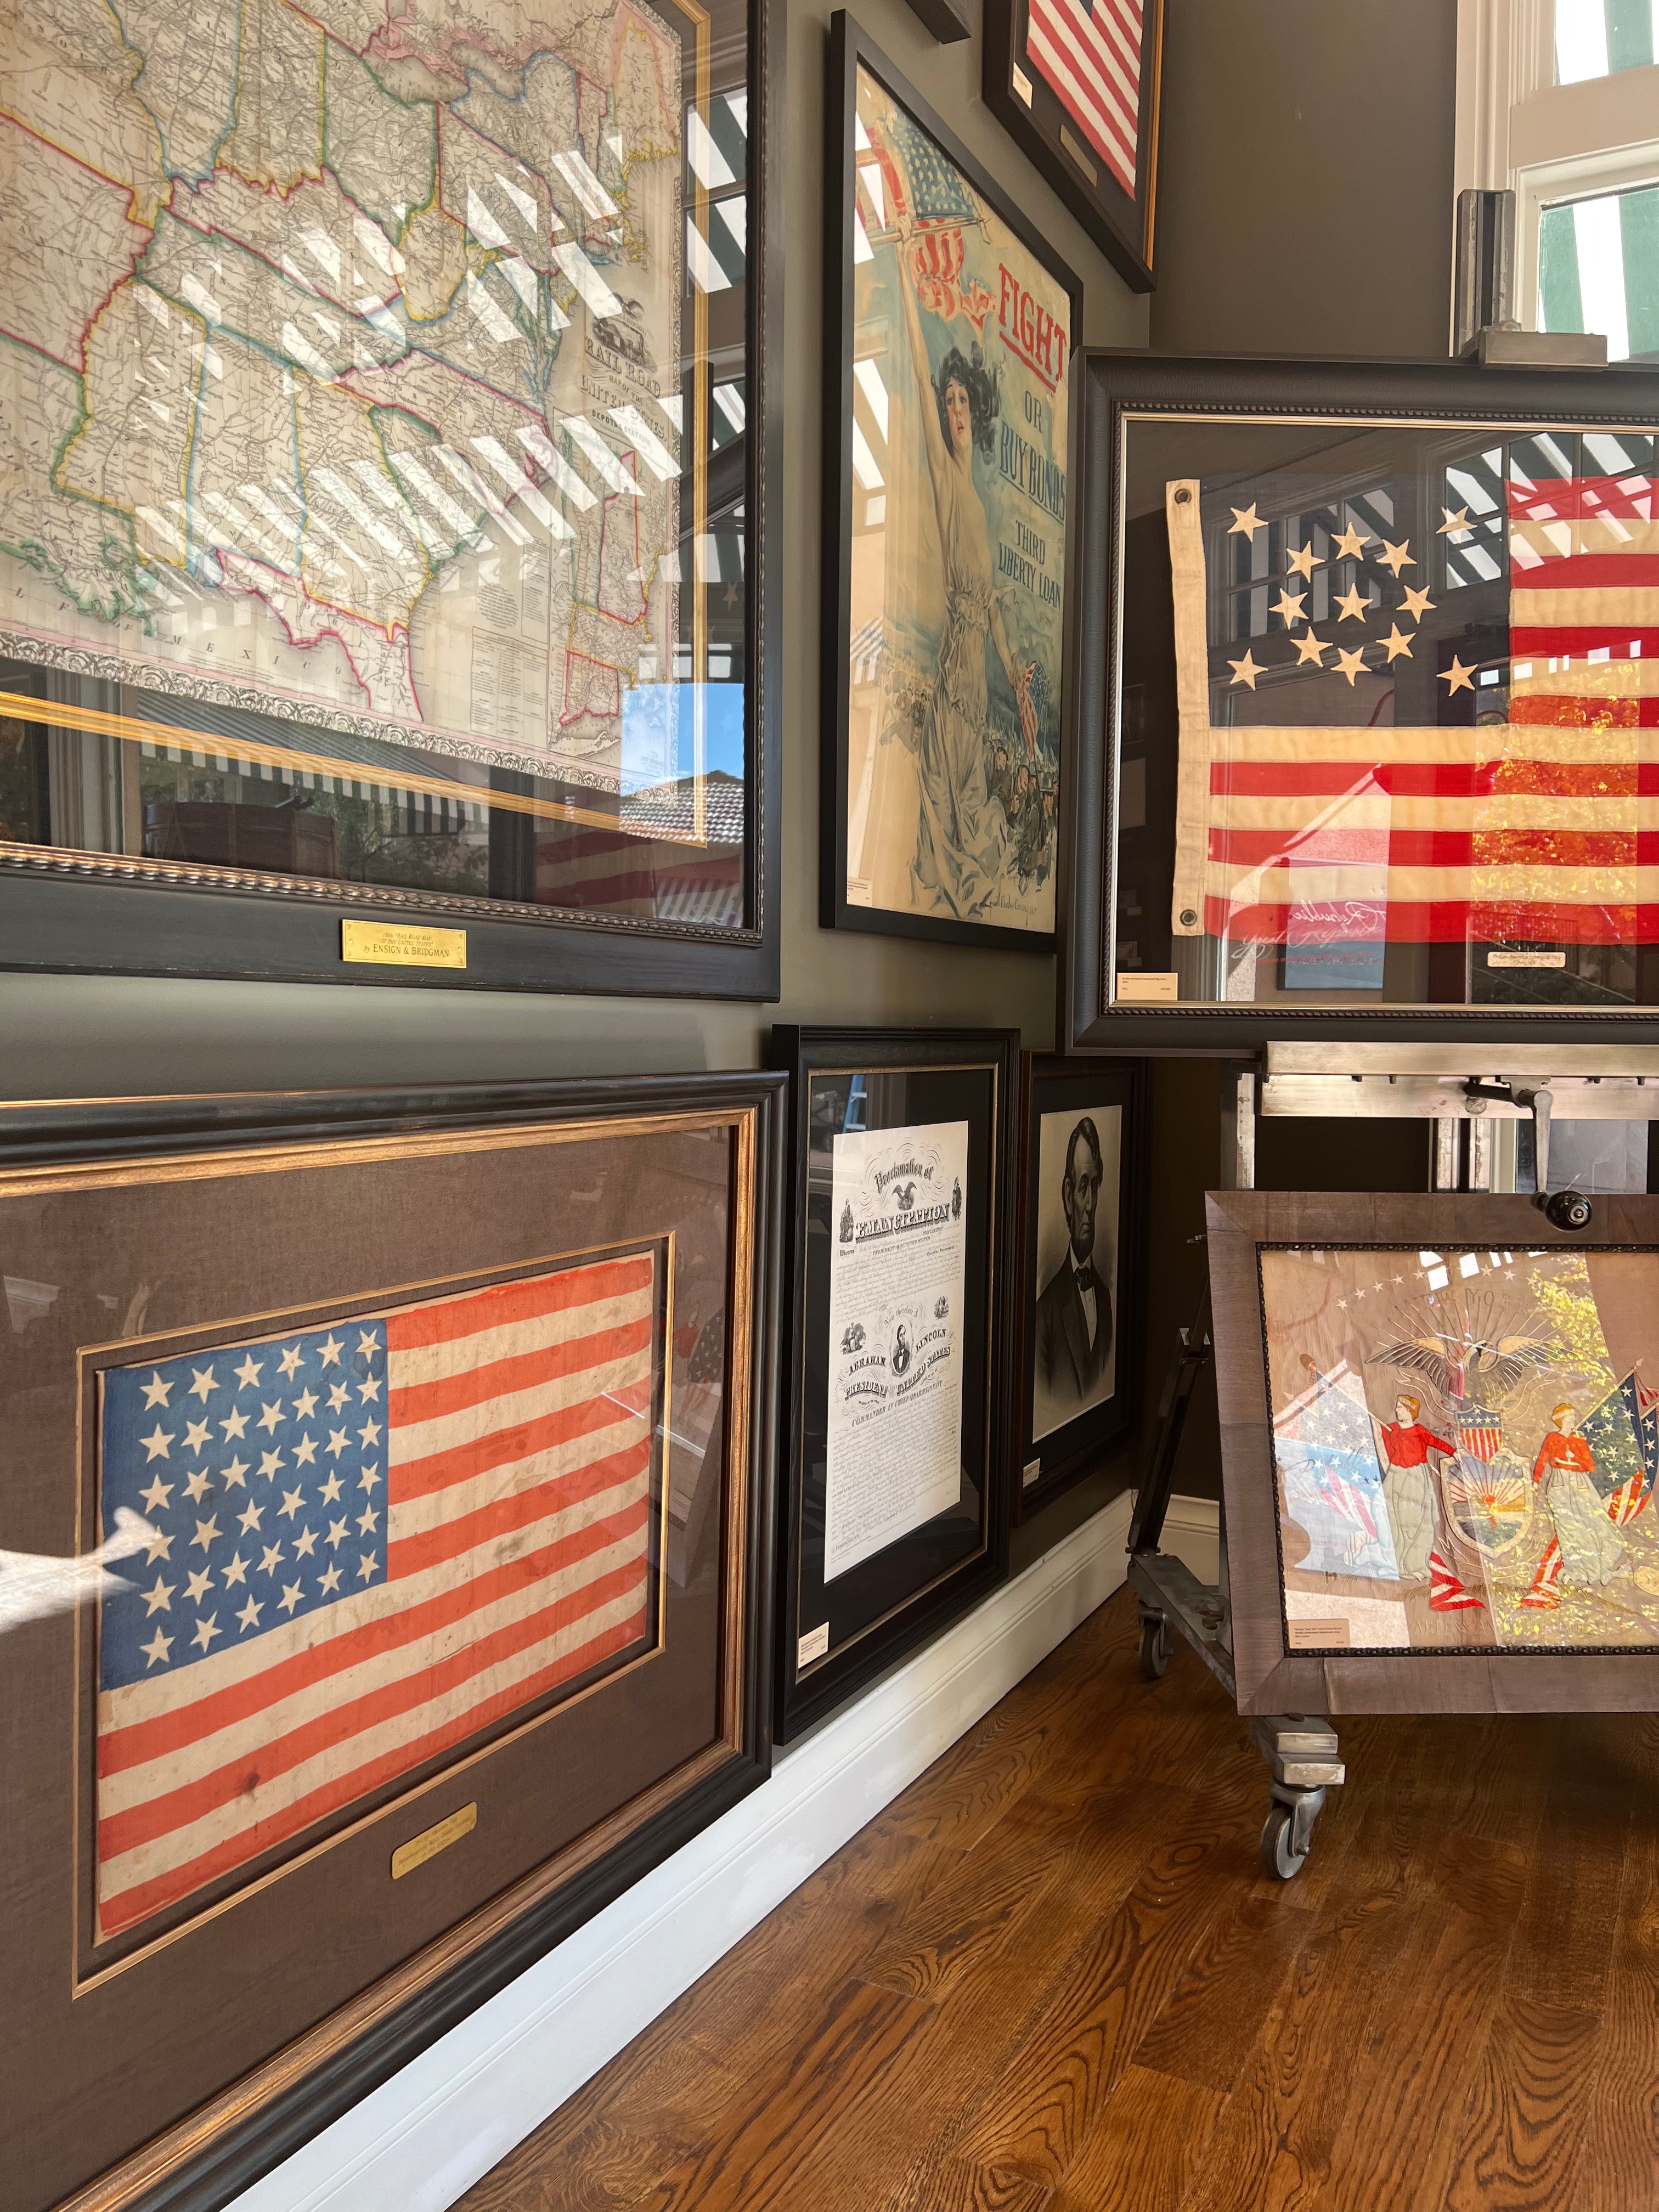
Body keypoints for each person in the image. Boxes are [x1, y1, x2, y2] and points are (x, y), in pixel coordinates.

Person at [894, 238, 1039, 923]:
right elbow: (923, 385)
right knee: (954, 771)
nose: (953, 409)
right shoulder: (950, 484)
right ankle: (957, 883)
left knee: (970, 773)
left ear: (975, 414)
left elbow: (998, 609)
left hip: (979, 664)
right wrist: (900, 267)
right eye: (947, 399)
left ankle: (967, 884)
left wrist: (1017, 678)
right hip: (956, 655)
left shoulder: (980, 500)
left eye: (961, 402)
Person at [1373, 1392, 1485, 1612]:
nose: (1397, 1411)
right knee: (1393, 1517)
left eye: (1402, 1408)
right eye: (1397, 1407)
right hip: (1397, 1476)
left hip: (1417, 1477)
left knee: (1419, 1522)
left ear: (1411, 1412)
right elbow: (1384, 1445)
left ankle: (1416, 1565)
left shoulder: (1419, 1431)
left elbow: (1436, 1443)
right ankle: (1398, 1564)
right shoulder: (1391, 1429)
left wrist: (1453, 1453)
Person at [1036, 1117, 1111, 1409]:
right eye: (1083, 1186)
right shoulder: (1046, 1313)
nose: (1091, 1203)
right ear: (1069, 1197)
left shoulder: (1104, 1298)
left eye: (1095, 1185)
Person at [1522, 1400, 1624, 1607]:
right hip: (1560, 1482)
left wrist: (1575, 1457)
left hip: (1580, 1482)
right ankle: (1578, 1569)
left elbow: (1590, 1465)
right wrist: (1535, 1480)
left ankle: (1602, 1567)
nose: (1573, 1421)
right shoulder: (1552, 1438)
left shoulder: (1579, 1440)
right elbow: (1543, 1459)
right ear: (1561, 1420)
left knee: (1593, 1522)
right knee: (1568, 1527)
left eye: (1573, 1418)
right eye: (1569, 1418)